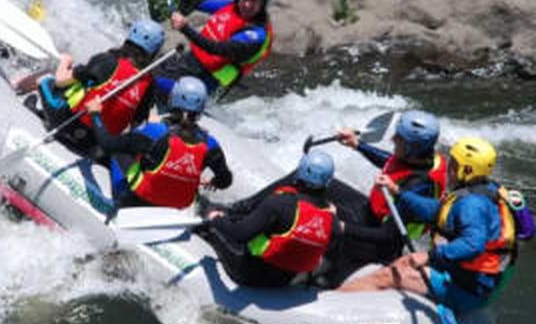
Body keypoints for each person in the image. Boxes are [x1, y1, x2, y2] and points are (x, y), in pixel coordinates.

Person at [339, 137, 519, 313]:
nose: (449, 168)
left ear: (466, 169)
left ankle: (334, 300)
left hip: (467, 288)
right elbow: (436, 211)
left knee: (388, 275)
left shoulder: (472, 204)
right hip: (467, 276)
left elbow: (473, 244)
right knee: (403, 262)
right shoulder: (482, 190)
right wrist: (398, 191)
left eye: (453, 164)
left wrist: (429, 255)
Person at [86, 76, 232, 209]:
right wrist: (214, 182)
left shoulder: (153, 132)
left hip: (136, 200)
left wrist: (95, 114)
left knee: (119, 154)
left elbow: (106, 143)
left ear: (172, 100)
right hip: (173, 211)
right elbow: (225, 180)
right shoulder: (211, 144)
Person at [199, 150, 338, 288]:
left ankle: (201, 213)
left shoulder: (280, 203)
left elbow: (239, 234)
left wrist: (216, 219)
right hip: (283, 280)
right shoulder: (331, 218)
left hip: (248, 274)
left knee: (211, 225)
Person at [36, 19, 164, 155]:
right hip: (97, 145)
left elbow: (60, 80)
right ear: (154, 52)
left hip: (65, 124)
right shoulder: (149, 85)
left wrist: (65, 61)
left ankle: (23, 94)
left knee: (45, 80)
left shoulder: (107, 60)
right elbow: (136, 125)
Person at [336, 110, 446, 260]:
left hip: (377, 244)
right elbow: (391, 162)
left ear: (412, 148)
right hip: (369, 215)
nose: (392, 139)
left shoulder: (417, 187)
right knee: (317, 183)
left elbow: (387, 235)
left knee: (318, 210)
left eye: (399, 138)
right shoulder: (424, 159)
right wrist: (356, 144)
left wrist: (341, 227)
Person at [153, 0, 273, 98]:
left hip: (208, 78)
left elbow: (217, 49)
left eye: (254, 0)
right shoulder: (229, 6)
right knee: (155, 76)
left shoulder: (256, 34)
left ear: (263, 3)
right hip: (191, 61)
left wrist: (185, 28)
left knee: (157, 84)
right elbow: (198, 1)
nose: (247, 4)